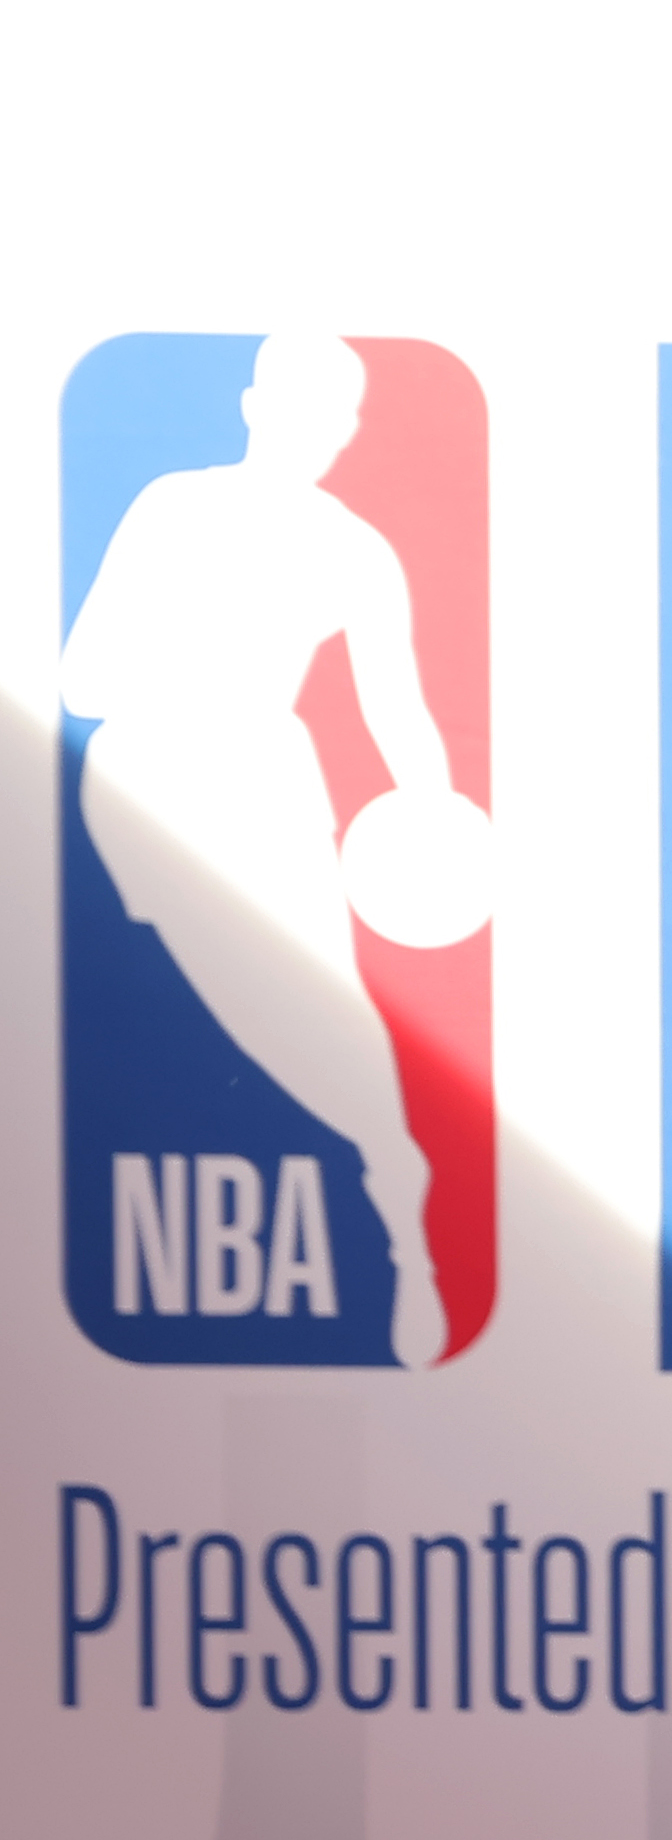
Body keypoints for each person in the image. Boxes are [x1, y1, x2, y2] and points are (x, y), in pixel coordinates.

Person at [64, 332, 471, 1370]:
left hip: (269, 791)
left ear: (350, 429)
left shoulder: (355, 549)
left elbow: (400, 712)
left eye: (340, 412)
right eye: (300, 403)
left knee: (328, 1014)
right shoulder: (173, 507)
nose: (320, 430)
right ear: (253, 403)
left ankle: (401, 1218)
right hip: (147, 785)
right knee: (202, 1011)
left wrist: (434, 816)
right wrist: (172, 680)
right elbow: (81, 674)